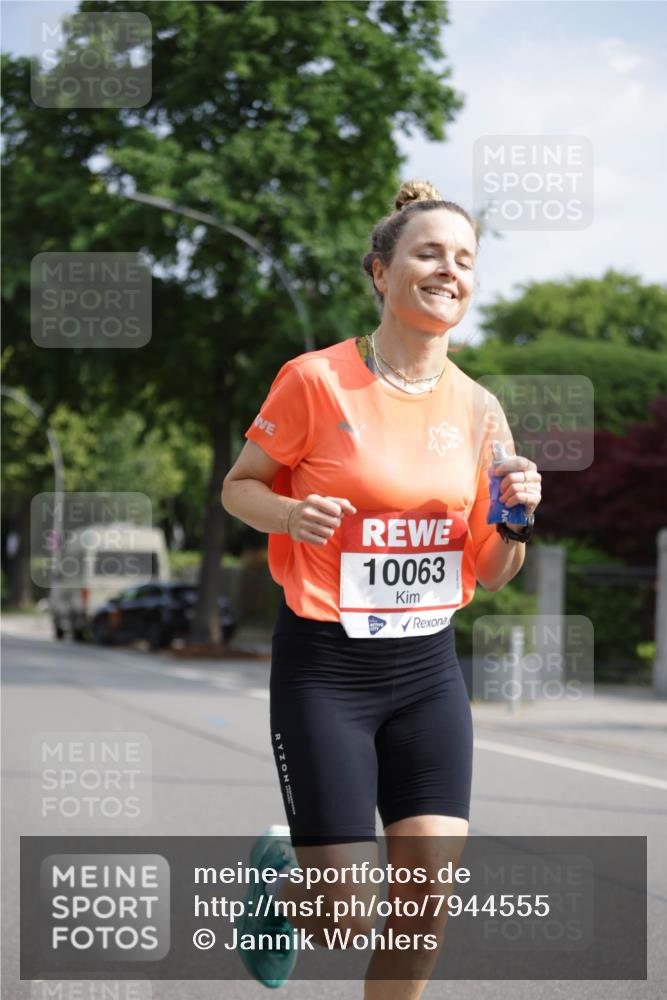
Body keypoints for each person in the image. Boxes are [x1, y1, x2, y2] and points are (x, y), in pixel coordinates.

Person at [221, 179, 542, 997]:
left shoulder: (480, 411)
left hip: (428, 672)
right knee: (344, 916)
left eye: (464, 260)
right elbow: (239, 487)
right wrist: (291, 514)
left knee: (422, 907)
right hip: (326, 669)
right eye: (428, 253)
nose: (449, 270)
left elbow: (489, 571)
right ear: (380, 272)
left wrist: (514, 522)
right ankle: (281, 877)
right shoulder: (315, 380)